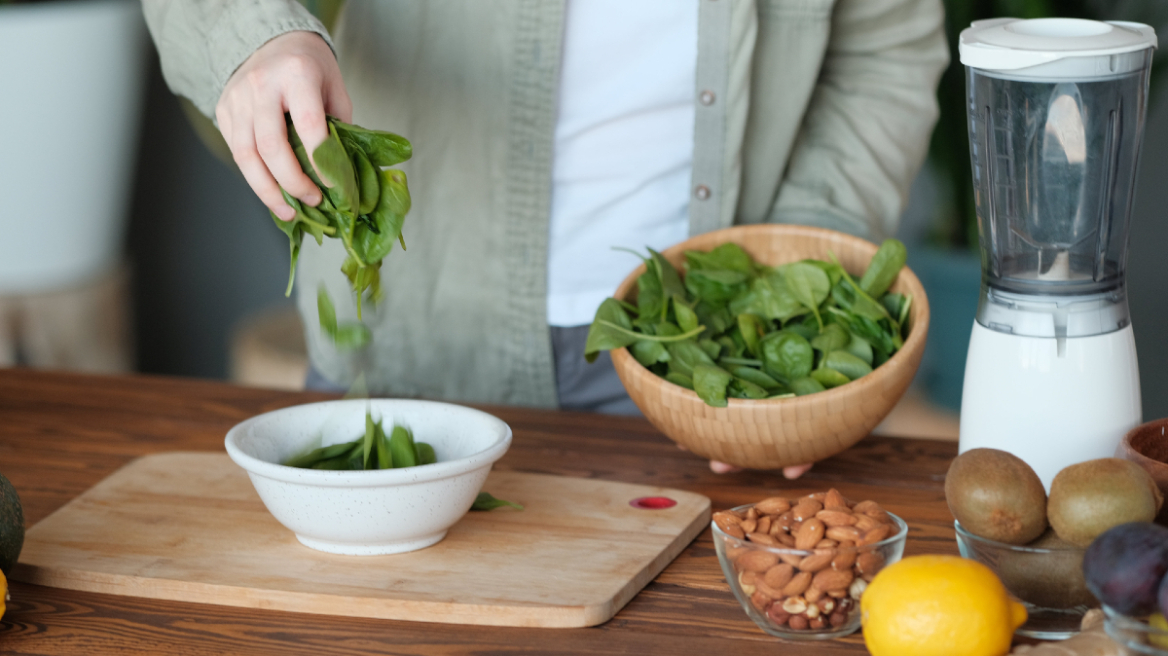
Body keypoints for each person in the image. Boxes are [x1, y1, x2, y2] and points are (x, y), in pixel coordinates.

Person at [141, 0, 948, 479]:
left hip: (707, 369)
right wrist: (252, 32)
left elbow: (884, 47)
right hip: (412, 333)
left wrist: (789, 313)